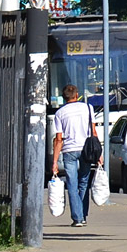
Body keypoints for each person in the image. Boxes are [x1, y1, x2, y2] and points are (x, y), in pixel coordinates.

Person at [50, 84, 99, 227]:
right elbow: (93, 133)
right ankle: (83, 215)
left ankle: (77, 219)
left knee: (72, 183)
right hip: (86, 150)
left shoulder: (60, 113)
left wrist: (54, 162)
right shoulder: (88, 108)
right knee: (84, 182)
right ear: (77, 95)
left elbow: (59, 139)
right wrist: (98, 154)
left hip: (69, 151)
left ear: (64, 98)